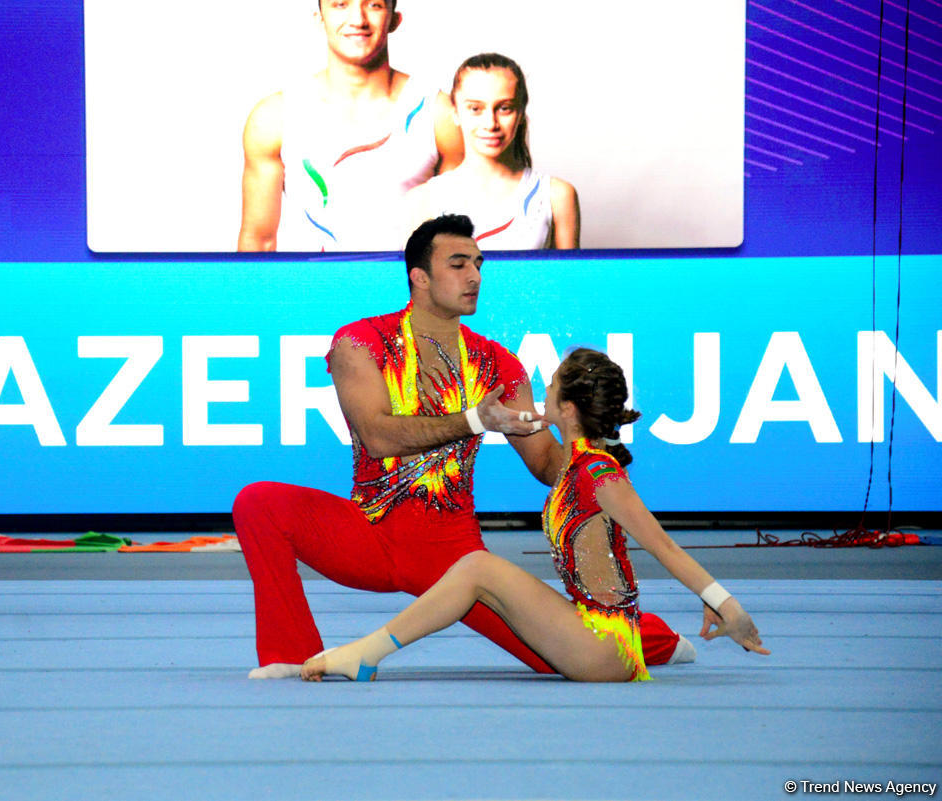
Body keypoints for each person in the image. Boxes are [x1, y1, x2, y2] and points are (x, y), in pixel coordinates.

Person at [233, 214, 691, 680]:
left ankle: (656, 638)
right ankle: (289, 653)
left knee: (554, 656)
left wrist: (593, 451)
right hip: (369, 533)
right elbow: (377, 435)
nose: (474, 276)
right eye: (458, 264)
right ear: (420, 277)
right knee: (258, 503)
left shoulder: (498, 364)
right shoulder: (361, 342)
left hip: (453, 556)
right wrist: (475, 419)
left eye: (478, 263)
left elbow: (545, 462)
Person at [302, 348, 770, 682]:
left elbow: (663, 546)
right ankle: (366, 653)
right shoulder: (575, 464)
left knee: (477, 567)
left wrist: (726, 603)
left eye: (549, 387)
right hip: (589, 627)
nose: (540, 393)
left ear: (566, 409)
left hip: (607, 646)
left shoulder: (600, 475)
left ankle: (365, 654)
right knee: (477, 571)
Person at [237, 0, 464, 252]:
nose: (358, 19)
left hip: (409, 289)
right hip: (315, 288)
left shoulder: (438, 114)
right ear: (319, 18)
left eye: (374, 5)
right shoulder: (275, 117)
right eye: (340, 4)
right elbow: (258, 241)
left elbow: (465, 238)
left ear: (394, 20)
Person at [405, 53, 579, 249]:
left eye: (504, 108)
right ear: (455, 113)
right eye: (475, 108)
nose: (490, 123)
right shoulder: (423, 200)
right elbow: (416, 278)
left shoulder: (556, 196)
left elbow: (569, 278)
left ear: (521, 113)